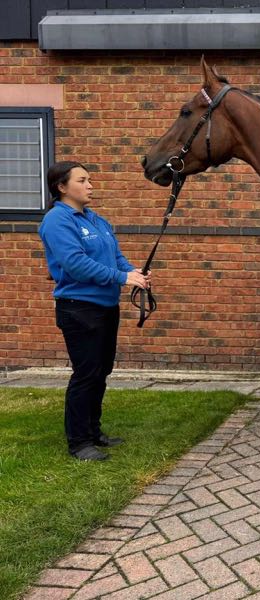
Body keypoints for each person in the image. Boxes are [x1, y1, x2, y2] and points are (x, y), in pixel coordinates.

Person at [38, 161, 151, 461]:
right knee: (86, 374)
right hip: (79, 309)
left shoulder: (96, 220)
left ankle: (93, 431)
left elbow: (116, 257)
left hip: (106, 308)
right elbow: (76, 264)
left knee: (101, 372)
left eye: (89, 180)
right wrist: (121, 277)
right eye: (82, 180)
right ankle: (79, 442)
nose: (90, 185)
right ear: (62, 187)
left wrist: (134, 272)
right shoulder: (57, 220)